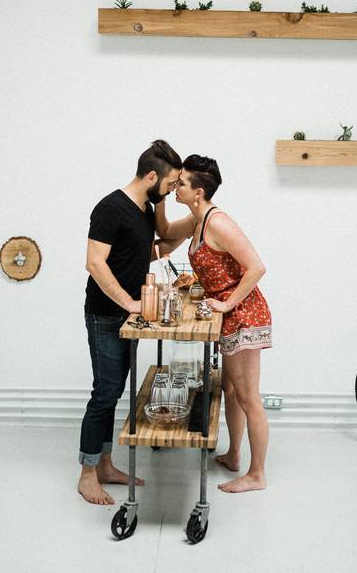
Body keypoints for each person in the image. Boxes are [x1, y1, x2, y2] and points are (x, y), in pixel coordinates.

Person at [155, 154, 272, 493]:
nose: (176, 187)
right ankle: (235, 456)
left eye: (181, 184)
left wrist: (227, 302)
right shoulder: (197, 220)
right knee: (231, 390)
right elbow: (163, 235)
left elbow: (256, 267)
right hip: (229, 318)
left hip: (245, 315)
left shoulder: (218, 222)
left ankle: (257, 475)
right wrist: (159, 199)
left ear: (199, 192)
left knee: (249, 397)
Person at [78, 139, 184, 505]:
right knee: (104, 392)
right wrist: (129, 303)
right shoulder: (110, 208)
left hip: (127, 317)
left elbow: (145, 249)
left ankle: (105, 464)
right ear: (151, 175)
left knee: (115, 391)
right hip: (106, 314)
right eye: (169, 184)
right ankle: (88, 474)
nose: (171, 190)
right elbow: (95, 263)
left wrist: (184, 226)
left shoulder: (142, 209)